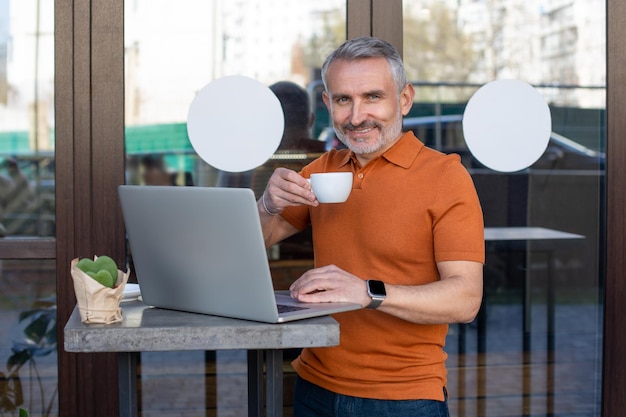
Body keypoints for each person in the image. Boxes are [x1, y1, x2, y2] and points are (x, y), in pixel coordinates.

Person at [257, 36, 485, 416]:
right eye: (344, 100)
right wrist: (266, 204)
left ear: (405, 99)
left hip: (405, 397)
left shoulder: (446, 176)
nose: (357, 116)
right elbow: (256, 242)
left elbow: (465, 300)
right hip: (314, 385)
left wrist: (367, 291)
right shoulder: (322, 169)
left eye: (373, 97)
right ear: (328, 104)